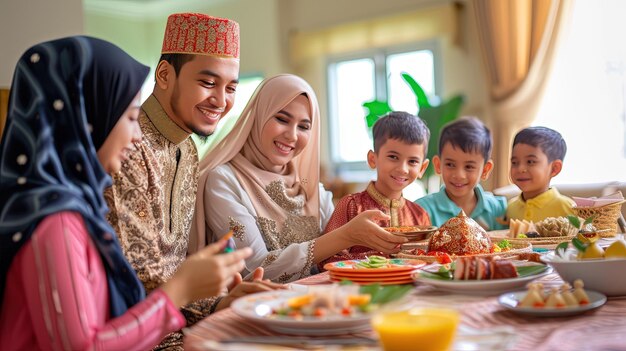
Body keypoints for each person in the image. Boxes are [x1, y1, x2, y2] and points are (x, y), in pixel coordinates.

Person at [0, 36, 255, 351]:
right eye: (131, 117)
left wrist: (213, 299)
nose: (137, 136)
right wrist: (182, 290)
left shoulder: (79, 209)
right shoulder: (58, 223)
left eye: (231, 88)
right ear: (90, 117)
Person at [102, 13, 249, 346]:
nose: (221, 100)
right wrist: (215, 301)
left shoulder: (189, 149)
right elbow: (139, 274)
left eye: (231, 88)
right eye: (208, 83)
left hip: (177, 324)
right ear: (165, 74)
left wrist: (224, 301)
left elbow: (174, 266)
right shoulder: (128, 143)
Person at [190, 74, 407, 283]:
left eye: (303, 126)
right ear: (259, 116)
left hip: (320, 306)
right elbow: (254, 268)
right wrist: (347, 235)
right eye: (282, 119)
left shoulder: (310, 188)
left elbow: (341, 257)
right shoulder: (225, 180)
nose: (292, 135)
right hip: (259, 310)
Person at [319, 112, 431, 265]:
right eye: (393, 157)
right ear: (373, 159)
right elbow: (327, 259)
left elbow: (428, 260)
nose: (403, 169)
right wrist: (373, 263)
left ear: (422, 168)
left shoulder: (419, 215)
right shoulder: (351, 206)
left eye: (412, 161)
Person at [415, 116, 507, 230]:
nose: (459, 175)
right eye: (450, 164)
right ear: (438, 165)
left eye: (469, 167)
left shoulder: (498, 209)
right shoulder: (422, 210)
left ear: (485, 170)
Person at [506, 126, 574, 222]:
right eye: (514, 162)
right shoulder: (510, 209)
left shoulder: (570, 209)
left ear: (554, 168)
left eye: (530, 161)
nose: (520, 169)